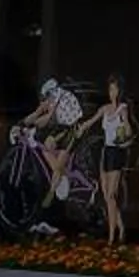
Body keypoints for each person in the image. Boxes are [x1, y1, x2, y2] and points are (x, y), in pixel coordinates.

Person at [14, 76, 86, 205]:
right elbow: (37, 113)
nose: (44, 101)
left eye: (45, 98)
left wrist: (32, 127)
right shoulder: (49, 98)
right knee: (46, 146)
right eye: (43, 99)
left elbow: (46, 119)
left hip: (73, 128)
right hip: (62, 127)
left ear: (51, 92)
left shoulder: (57, 96)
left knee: (57, 163)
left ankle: (52, 190)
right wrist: (20, 123)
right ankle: (60, 173)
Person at [94, 74, 134, 244]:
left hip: (117, 152)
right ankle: (120, 226)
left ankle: (112, 235)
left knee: (111, 195)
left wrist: (126, 133)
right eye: (110, 89)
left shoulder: (122, 108)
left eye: (115, 89)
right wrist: (80, 127)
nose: (113, 93)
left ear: (120, 91)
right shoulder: (104, 109)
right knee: (106, 195)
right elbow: (92, 121)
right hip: (105, 152)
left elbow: (128, 128)